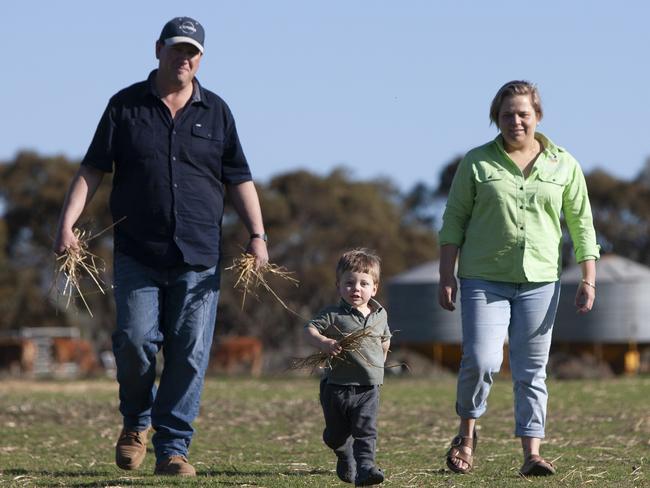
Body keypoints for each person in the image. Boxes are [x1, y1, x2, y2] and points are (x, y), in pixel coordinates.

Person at [53, 17, 268, 477]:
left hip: (199, 256)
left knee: (189, 351)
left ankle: (173, 449)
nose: (184, 57)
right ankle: (136, 422)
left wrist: (257, 235)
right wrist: (67, 224)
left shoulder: (217, 112)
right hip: (137, 252)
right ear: (158, 50)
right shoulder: (124, 106)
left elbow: (239, 179)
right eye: (176, 49)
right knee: (133, 341)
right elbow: (92, 169)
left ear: (201, 58)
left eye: (192, 51)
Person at [438, 80, 599, 477]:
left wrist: (588, 277)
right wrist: (447, 273)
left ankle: (532, 453)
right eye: (507, 114)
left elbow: (582, 225)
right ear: (497, 118)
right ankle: (467, 433)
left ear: (537, 116)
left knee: (531, 370)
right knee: (482, 359)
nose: (516, 121)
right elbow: (453, 221)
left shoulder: (563, 164)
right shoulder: (477, 163)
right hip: (482, 278)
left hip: (541, 281)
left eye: (523, 113)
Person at [304, 249, 391, 486]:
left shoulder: (380, 315)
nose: (356, 288)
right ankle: (343, 452)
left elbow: (385, 340)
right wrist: (324, 342)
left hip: (367, 388)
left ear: (374, 288)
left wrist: (378, 366)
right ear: (338, 285)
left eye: (364, 283)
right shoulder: (333, 314)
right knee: (335, 435)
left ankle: (366, 469)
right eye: (349, 283)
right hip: (336, 388)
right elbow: (309, 330)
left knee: (366, 431)